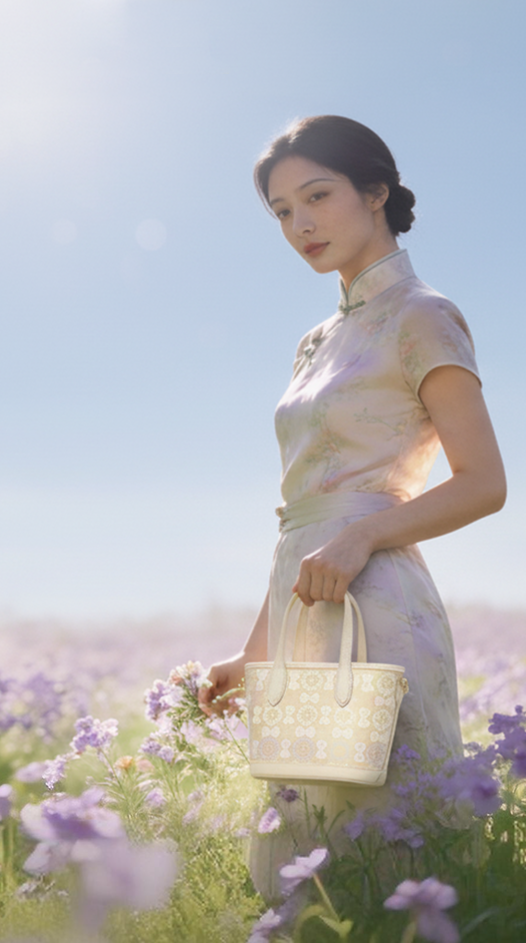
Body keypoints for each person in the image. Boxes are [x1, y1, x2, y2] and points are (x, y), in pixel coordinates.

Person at [201, 116, 506, 900]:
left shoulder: (422, 314)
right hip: (306, 597)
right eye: (280, 211)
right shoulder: (313, 341)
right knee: (306, 830)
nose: (300, 223)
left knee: (390, 824)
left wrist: (363, 536)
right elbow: (303, 517)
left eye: (317, 196)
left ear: (376, 192)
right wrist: (255, 650)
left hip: (377, 602)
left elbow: (483, 481)